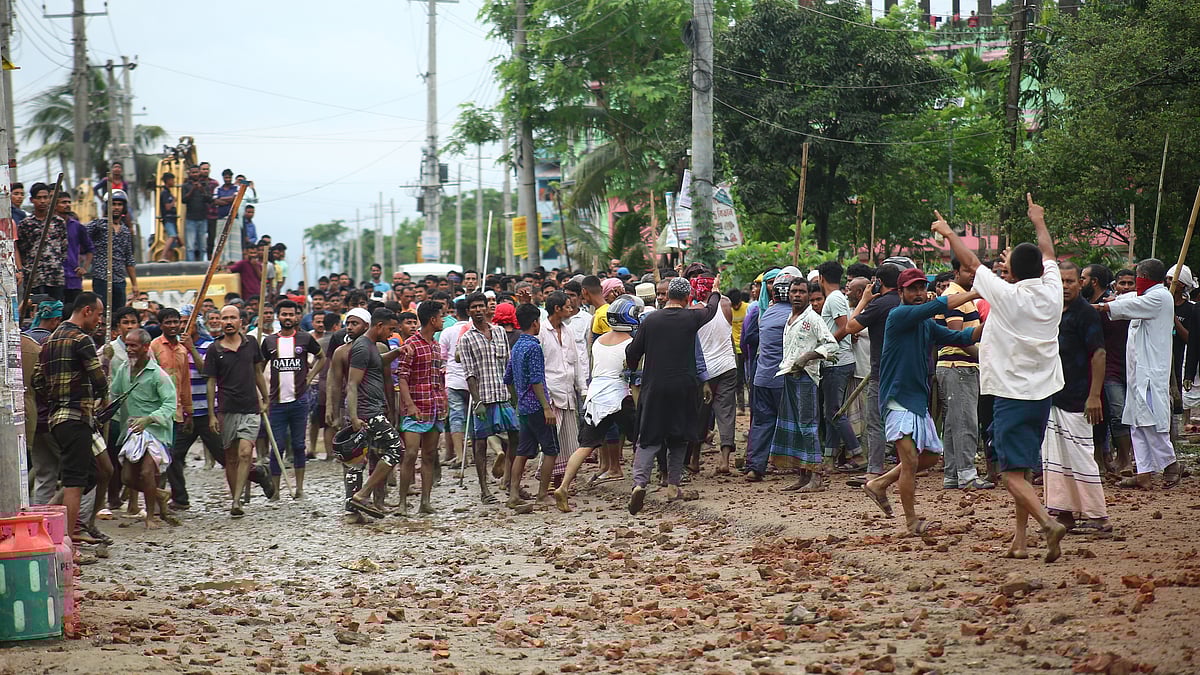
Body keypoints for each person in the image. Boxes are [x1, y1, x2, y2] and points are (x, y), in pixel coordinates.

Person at [937, 197, 1069, 563]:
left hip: (1011, 392)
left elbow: (973, 263)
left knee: (1010, 475)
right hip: (1042, 392)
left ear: (1014, 271)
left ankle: (1047, 523)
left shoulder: (1007, 294)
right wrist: (1038, 220)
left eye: (1007, 262)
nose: (1002, 265)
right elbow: (1048, 252)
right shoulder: (1053, 288)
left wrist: (949, 232)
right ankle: (1021, 541)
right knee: (1022, 470)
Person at [864, 267, 981, 535]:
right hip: (897, 399)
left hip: (917, 400)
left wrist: (994, 323)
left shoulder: (926, 324)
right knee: (911, 462)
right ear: (901, 292)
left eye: (920, 288)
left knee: (929, 457)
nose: (918, 294)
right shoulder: (898, 315)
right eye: (912, 289)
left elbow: (960, 337)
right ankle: (911, 522)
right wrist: (976, 292)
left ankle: (879, 484)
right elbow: (940, 304)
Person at [625, 278, 721, 513]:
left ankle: (639, 484)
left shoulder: (651, 320)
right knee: (679, 438)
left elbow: (632, 351)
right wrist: (715, 291)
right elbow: (711, 310)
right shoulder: (691, 318)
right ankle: (673, 486)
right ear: (688, 298)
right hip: (684, 388)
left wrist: (634, 368)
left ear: (666, 295)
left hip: (654, 387)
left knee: (648, 437)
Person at [1096, 258, 1181, 489]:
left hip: (1150, 373)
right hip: (1137, 372)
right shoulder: (1145, 296)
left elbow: (1126, 306)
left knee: (1150, 421)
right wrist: (1111, 300)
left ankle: (1170, 463)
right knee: (1136, 422)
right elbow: (1128, 299)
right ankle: (1144, 472)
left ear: (1145, 277)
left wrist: (1103, 306)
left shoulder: (1160, 297)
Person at [553, 296, 643, 512]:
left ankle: (564, 486)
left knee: (586, 445)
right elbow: (632, 374)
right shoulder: (631, 344)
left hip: (596, 396)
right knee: (641, 440)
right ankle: (639, 485)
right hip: (620, 395)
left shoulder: (599, 342)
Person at [33, 292, 108, 543]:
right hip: (77, 417)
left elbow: (37, 381)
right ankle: (69, 540)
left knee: (87, 474)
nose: (99, 320)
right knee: (75, 481)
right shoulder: (82, 339)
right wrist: (101, 395)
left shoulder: (50, 340)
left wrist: (56, 396)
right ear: (86, 311)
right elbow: (99, 379)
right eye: (98, 315)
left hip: (57, 419)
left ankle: (51, 522)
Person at [1040, 262, 1109, 533]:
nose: (1066, 286)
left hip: (1079, 398)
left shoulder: (1085, 313)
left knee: (1081, 457)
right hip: (1052, 395)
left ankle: (1098, 516)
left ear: (1080, 284)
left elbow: (1099, 354)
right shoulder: (1052, 310)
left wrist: (1094, 395)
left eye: (1071, 281)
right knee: (1054, 459)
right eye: (1061, 281)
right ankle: (1064, 514)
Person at [834, 263, 903, 486]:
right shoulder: (903, 302)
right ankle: (907, 467)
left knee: (875, 422)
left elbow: (850, 327)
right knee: (903, 421)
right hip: (905, 370)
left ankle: (874, 470)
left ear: (879, 282)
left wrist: (864, 300)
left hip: (881, 372)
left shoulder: (879, 304)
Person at [771, 277, 838, 491]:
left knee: (808, 426)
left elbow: (832, 345)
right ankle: (802, 475)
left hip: (806, 378)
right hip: (789, 375)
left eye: (801, 291)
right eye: (794, 292)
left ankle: (816, 477)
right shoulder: (790, 317)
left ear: (808, 294)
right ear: (788, 295)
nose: (797, 295)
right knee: (796, 428)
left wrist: (809, 356)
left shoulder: (814, 319)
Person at [204, 305, 269, 518]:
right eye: (225, 318)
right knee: (230, 458)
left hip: (250, 407)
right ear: (219, 323)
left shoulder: (251, 344)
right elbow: (211, 383)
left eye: (233, 318)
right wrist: (212, 414)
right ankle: (236, 497)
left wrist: (265, 397)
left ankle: (236, 499)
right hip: (226, 409)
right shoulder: (215, 350)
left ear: (241, 321)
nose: (229, 322)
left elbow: (258, 371)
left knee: (244, 453)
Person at [458, 292, 521, 505]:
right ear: (468, 311)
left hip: (503, 395)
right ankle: (485, 490)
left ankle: (512, 482)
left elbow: (508, 365)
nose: (477, 310)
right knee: (480, 443)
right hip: (483, 398)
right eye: (473, 307)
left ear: (486, 308)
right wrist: (476, 402)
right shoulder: (466, 338)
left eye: (480, 306)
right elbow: (469, 373)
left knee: (515, 436)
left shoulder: (500, 332)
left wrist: (514, 397)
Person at [343, 308, 406, 519]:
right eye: (390, 329)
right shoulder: (362, 347)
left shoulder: (370, 347)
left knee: (368, 457)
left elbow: (378, 362)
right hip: (367, 412)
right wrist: (354, 417)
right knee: (396, 448)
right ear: (379, 326)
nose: (391, 334)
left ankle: (359, 503)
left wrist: (397, 352)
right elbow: (351, 384)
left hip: (372, 409)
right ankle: (362, 495)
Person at [112, 328, 178, 529]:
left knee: (147, 472)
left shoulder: (158, 374)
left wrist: (149, 419)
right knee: (127, 477)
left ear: (146, 347)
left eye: (134, 345)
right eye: (127, 345)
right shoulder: (124, 369)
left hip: (155, 431)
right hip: (132, 430)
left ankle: (150, 516)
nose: (129, 349)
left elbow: (170, 403)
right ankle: (159, 494)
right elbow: (114, 394)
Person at [934, 257, 991, 489]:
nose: (972, 275)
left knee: (953, 423)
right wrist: (983, 357)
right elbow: (956, 336)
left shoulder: (959, 296)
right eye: (968, 271)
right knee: (966, 421)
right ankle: (966, 474)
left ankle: (952, 474)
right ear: (956, 271)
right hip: (958, 366)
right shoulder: (956, 297)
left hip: (955, 366)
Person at [261, 299, 325, 499]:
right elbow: (258, 368)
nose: (287, 318)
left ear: (297, 316)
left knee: (298, 445)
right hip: (276, 402)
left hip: (299, 401)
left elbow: (322, 357)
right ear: (278, 317)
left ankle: (299, 489)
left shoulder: (305, 339)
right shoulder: (269, 341)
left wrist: (310, 375)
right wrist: (261, 394)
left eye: (291, 314)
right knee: (276, 447)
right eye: (284, 314)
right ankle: (276, 491)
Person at [395, 301, 448, 516]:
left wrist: (443, 401)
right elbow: (402, 377)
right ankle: (402, 502)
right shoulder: (411, 344)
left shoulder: (435, 346)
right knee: (409, 454)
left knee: (429, 455)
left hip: (434, 406)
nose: (443, 320)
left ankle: (425, 501)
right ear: (432, 320)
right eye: (441, 317)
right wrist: (409, 404)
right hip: (416, 408)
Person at [503, 303, 558, 508]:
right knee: (551, 449)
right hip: (537, 406)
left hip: (524, 407)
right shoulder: (533, 347)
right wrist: (546, 407)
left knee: (523, 450)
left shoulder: (517, 346)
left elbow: (507, 378)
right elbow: (536, 380)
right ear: (535, 323)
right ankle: (542, 494)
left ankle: (514, 494)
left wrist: (518, 400)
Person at [815, 261, 865, 474]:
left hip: (837, 362)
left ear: (821, 279)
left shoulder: (834, 299)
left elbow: (845, 327)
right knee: (832, 412)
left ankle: (857, 453)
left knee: (834, 412)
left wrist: (824, 348)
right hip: (839, 360)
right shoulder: (838, 298)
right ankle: (829, 459)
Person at [537, 291, 588, 484]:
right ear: (557, 309)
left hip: (567, 393)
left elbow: (576, 363)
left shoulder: (568, 332)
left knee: (568, 440)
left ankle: (560, 480)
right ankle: (546, 480)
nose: (571, 309)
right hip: (550, 392)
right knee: (551, 439)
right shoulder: (541, 331)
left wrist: (582, 388)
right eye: (567, 306)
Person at [690, 270, 738, 475]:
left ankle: (694, 459)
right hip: (728, 364)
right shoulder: (726, 305)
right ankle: (724, 460)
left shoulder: (694, 310)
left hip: (705, 370)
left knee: (700, 414)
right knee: (726, 412)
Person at [86, 189, 138, 311]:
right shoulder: (97, 225)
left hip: (119, 279)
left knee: (118, 313)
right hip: (102, 277)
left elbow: (129, 259)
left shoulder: (125, 231)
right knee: (102, 311)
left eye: (119, 204)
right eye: (113, 204)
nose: (116, 207)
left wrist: (134, 284)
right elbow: (81, 240)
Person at [17, 182, 68, 300]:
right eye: (39, 198)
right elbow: (21, 249)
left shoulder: (59, 222)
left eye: (46, 197)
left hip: (55, 276)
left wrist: (55, 263)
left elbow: (64, 247)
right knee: (37, 310)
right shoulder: (26, 224)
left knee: (56, 310)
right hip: (34, 277)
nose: (43, 201)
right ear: (32, 200)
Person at [440, 299, 472, 468]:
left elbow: (442, 356)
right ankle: (474, 454)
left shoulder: (447, 332)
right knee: (475, 418)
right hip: (473, 380)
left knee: (456, 418)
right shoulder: (474, 330)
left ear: (455, 313)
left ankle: (461, 456)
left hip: (454, 380)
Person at [60, 193, 92, 305]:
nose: (67, 205)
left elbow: (89, 248)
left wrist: (84, 268)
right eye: (63, 202)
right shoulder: (48, 225)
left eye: (69, 202)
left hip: (73, 278)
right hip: (54, 278)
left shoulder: (77, 226)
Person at [182, 165, 211, 261]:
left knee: (202, 246)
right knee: (190, 246)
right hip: (191, 219)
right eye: (193, 172)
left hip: (202, 219)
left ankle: (202, 264)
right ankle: (190, 265)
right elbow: (184, 200)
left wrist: (201, 189)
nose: (195, 174)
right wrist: (193, 190)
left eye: (196, 172)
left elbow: (209, 199)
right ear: (189, 173)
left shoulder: (205, 185)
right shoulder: (186, 186)